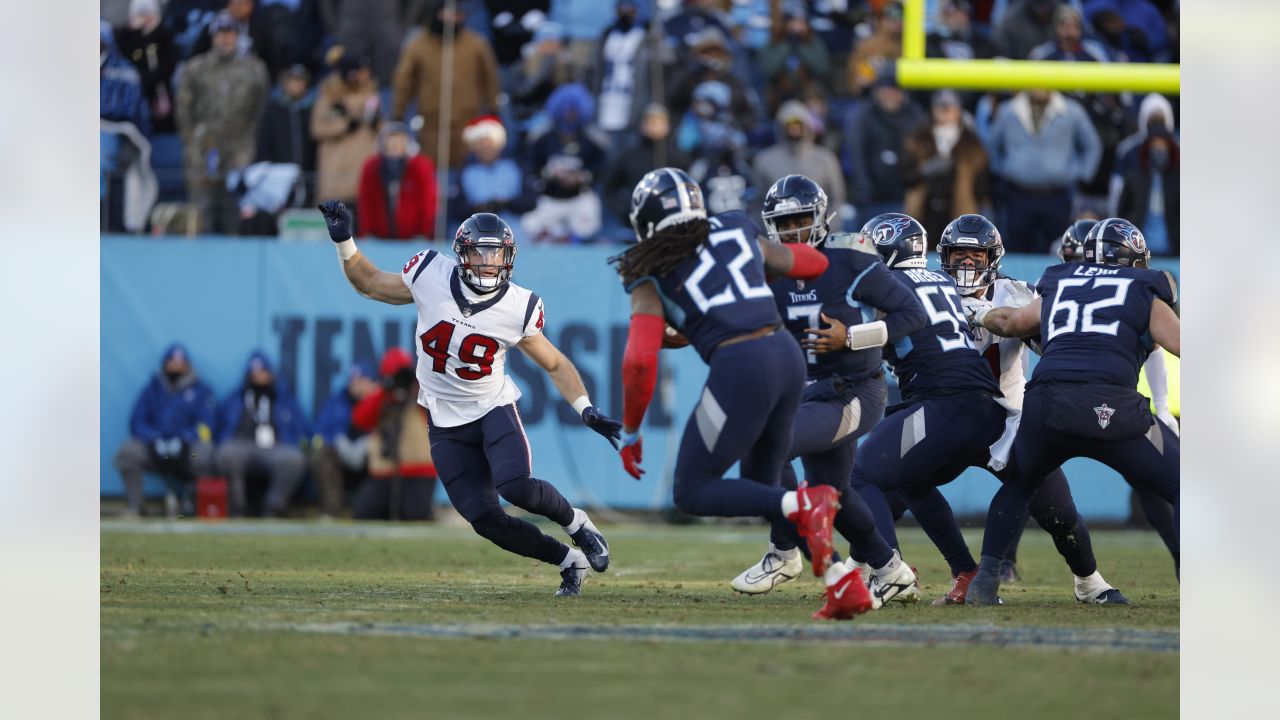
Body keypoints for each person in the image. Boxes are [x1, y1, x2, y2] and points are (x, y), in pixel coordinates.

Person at [317, 201, 622, 597]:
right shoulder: (430, 272)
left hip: (491, 407)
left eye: (496, 253)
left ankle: (578, 525)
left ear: (508, 257)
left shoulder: (518, 306)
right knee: (484, 518)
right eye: (480, 252)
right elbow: (370, 283)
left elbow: (555, 362)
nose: (489, 262)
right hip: (444, 419)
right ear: (461, 253)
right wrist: (344, 241)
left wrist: (585, 408)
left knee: (516, 486)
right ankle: (568, 561)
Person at [611, 168, 867, 619]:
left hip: (741, 366)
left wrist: (630, 431)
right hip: (786, 356)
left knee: (691, 491)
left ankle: (803, 502)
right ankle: (841, 582)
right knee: (762, 480)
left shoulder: (649, 270)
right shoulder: (734, 227)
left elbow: (638, 362)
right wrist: (746, 287)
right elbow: (815, 263)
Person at [844, 212, 1125, 606]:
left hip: (1006, 418)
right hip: (952, 411)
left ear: (993, 258)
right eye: (958, 254)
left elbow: (1052, 344)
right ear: (941, 256)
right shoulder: (934, 286)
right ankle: (885, 567)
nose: (966, 263)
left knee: (1057, 511)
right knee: (895, 482)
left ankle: (1089, 580)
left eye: (975, 256)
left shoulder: (1014, 293)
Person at [728, 175, 926, 614]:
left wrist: (852, 337)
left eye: (801, 219)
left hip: (852, 391)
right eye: (784, 222)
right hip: (805, 393)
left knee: (768, 447)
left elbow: (913, 313)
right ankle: (890, 569)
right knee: (835, 496)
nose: (794, 230)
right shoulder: (767, 270)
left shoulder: (848, 258)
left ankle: (783, 552)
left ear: (819, 218)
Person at [964, 217, 1180, 604]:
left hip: (1048, 406)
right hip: (1114, 409)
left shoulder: (1059, 282)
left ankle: (985, 582)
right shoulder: (1146, 289)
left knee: (1019, 485)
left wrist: (976, 314)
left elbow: (1012, 323)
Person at [175, 11, 269, 233]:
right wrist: (191, 139)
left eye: (230, 33)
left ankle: (234, 254)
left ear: (237, 36)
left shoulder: (253, 69)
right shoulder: (196, 68)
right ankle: (197, 254)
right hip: (203, 144)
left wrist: (249, 136)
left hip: (240, 145)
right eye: (221, 34)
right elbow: (183, 108)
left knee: (235, 205)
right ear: (212, 37)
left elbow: (261, 107)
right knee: (201, 204)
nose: (226, 39)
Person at [986, 89, 1100, 253]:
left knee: (1060, 250)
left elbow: (1092, 145)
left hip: (1057, 196)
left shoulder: (1072, 110)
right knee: (1016, 251)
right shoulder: (1008, 110)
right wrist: (1005, 170)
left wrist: (1081, 175)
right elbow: (991, 146)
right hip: (1018, 195)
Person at [391, 1, 500, 169]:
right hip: (433, 123)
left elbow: (490, 78)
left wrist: (493, 108)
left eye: (457, 15)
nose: (453, 19)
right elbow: (404, 82)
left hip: (467, 122)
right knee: (433, 169)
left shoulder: (476, 44)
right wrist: (398, 113)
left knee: (466, 170)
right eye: (448, 14)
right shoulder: (419, 46)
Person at [113, 344, 218, 518]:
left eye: (180, 362)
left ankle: (195, 505)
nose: (176, 366)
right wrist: (153, 437)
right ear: (164, 364)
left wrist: (185, 438)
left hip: (187, 453)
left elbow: (207, 426)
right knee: (127, 453)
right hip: (155, 450)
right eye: (172, 362)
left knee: (204, 454)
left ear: (188, 365)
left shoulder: (201, 391)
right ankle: (135, 506)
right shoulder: (153, 389)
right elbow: (136, 421)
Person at [214, 351, 309, 517]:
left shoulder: (284, 399)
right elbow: (222, 426)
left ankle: (273, 507)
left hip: (276, 446)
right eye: (254, 373)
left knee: (294, 458)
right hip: (243, 444)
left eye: (263, 372)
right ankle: (237, 507)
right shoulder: (236, 398)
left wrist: (293, 441)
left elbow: (300, 428)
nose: (259, 377)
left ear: (271, 374)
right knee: (227, 453)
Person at [350, 348, 439, 521]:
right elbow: (359, 419)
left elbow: (437, 412)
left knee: (415, 516)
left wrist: (415, 386)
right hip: (384, 473)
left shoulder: (422, 395)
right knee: (364, 512)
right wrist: (386, 391)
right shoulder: (380, 397)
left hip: (419, 472)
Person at [520, 83, 608, 243]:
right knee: (529, 224)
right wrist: (550, 174)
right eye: (566, 111)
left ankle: (572, 237)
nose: (569, 116)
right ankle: (552, 234)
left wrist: (582, 177)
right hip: (550, 197)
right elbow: (531, 166)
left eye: (574, 112)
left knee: (590, 216)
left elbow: (601, 169)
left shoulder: (592, 138)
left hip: (578, 197)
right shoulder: (542, 136)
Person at [902, 89, 990, 241]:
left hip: (960, 212)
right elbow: (905, 175)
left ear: (958, 110)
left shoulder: (971, 143)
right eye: (940, 107)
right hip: (923, 212)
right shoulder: (917, 139)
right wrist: (924, 171)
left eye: (949, 107)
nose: (944, 111)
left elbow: (982, 182)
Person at [846, 72, 923, 223]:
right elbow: (856, 155)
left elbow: (919, 158)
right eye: (885, 89)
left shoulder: (915, 117)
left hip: (905, 199)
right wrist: (863, 191)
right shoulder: (864, 116)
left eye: (894, 90)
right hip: (872, 200)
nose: (889, 94)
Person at [311, 53, 382, 214]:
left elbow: (384, 131)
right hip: (337, 167)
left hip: (363, 163)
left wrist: (376, 123)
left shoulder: (371, 95)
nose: (365, 75)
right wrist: (345, 125)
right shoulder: (330, 95)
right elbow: (317, 129)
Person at [753, 101, 846, 216]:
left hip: (820, 227)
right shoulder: (765, 161)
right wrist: (768, 230)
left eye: (798, 125)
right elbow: (758, 202)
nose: (794, 130)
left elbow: (837, 197)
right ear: (781, 127)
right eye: (790, 126)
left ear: (807, 126)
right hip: (779, 227)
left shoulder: (825, 158)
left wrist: (829, 227)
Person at [309, 362, 377, 517]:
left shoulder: (380, 401)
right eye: (353, 380)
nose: (355, 385)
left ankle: (379, 509)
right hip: (340, 457)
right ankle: (331, 509)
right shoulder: (337, 401)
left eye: (361, 380)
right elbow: (319, 432)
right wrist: (340, 442)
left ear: (371, 382)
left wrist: (367, 443)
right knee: (320, 452)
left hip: (370, 459)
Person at [357, 122, 438, 240]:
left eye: (400, 140)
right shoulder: (371, 167)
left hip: (413, 240)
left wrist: (425, 234)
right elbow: (365, 203)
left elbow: (429, 203)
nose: (395, 144)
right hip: (379, 240)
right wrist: (367, 234)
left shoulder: (422, 166)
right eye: (391, 140)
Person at [255, 64, 318, 207]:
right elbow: (264, 143)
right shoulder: (273, 111)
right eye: (292, 81)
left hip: (307, 175)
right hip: (279, 177)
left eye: (300, 81)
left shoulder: (311, 110)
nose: (296, 85)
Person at [452, 115, 534, 223]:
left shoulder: (513, 168)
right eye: (481, 143)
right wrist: (479, 208)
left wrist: (505, 203)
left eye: (490, 142)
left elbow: (530, 202)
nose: (486, 147)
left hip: (513, 230)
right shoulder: (467, 173)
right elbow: (457, 209)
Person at [113, 0, 179, 134]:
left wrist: (147, 78)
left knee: (162, 136)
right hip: (131, 96)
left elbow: (169, 64)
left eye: (148, 14)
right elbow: (122, 57)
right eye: (141, 14)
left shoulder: (163, 35)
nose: (145, 18)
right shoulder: (126, 36)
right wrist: (134, 31)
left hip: (158, 93)